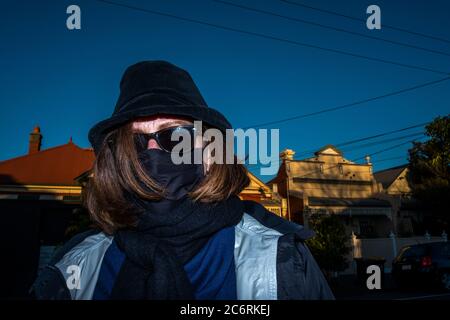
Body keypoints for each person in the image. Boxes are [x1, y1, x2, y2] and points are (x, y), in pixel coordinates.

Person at [32, 60, 334, 300]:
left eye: (175, 136)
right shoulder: (76, 264)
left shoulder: (281, 256)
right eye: (135, 141)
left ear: (211, 152)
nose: (152, 152)